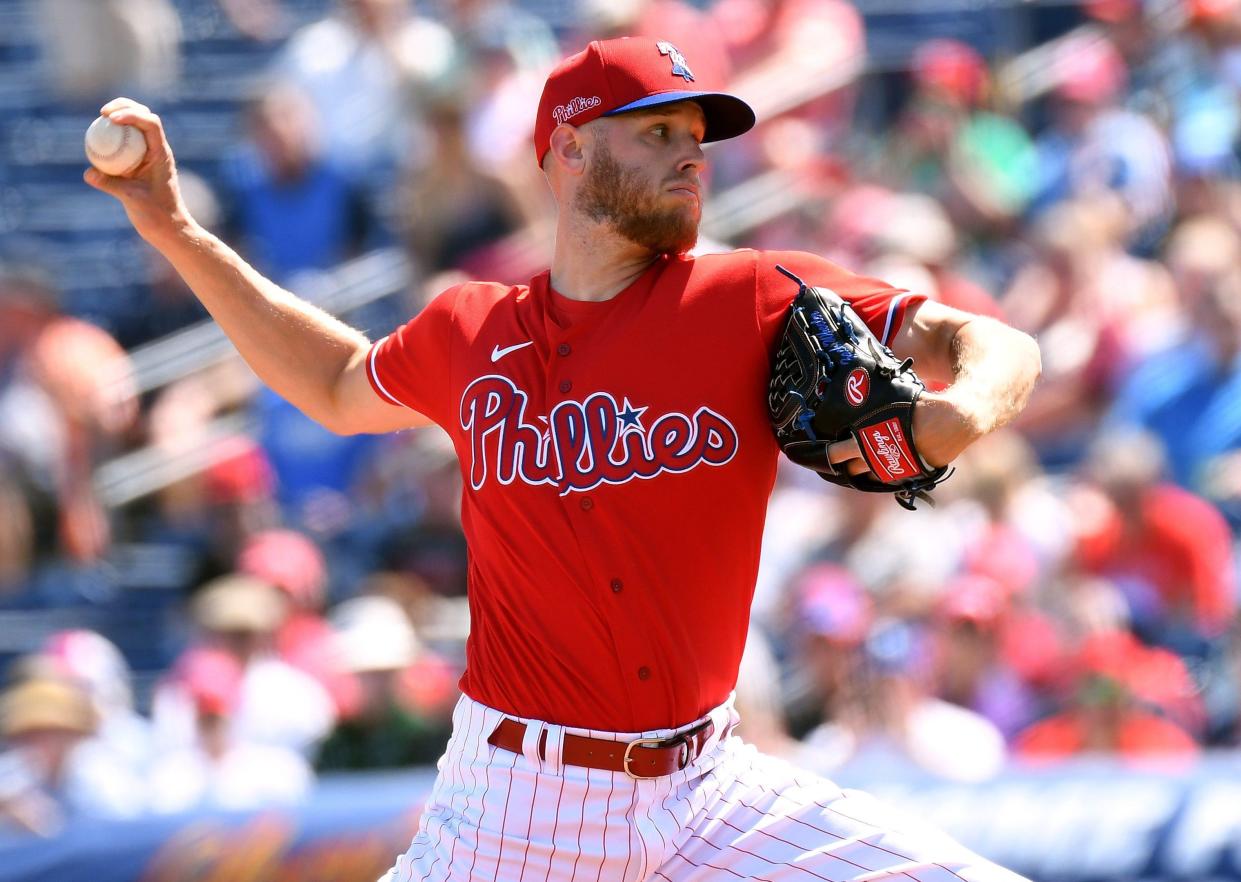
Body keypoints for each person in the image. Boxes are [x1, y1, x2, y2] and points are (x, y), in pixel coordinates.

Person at [85, 35, 1040, 882]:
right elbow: (335, 383)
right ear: (568, 149)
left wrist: (957, 414)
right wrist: (177, 230)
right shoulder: (470, 329)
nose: (689, 158)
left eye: (694, 139)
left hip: (708, 790)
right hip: (513, 808)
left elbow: (989, 339)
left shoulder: (745, 296)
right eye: (655, 134)